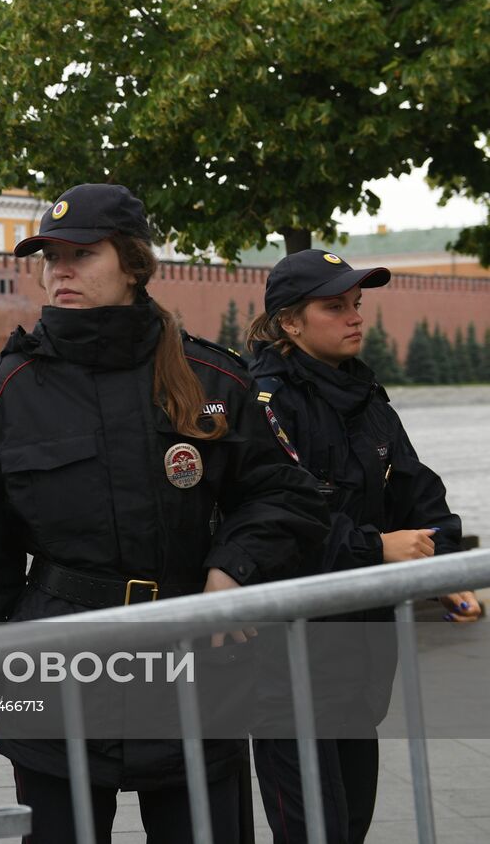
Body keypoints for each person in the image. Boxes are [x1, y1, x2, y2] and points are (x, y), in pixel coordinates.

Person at [0, 183, 329, 843]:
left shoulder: (209, 378)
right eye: (49, 254)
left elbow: (287, 494)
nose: (60, 268)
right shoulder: (7, 386)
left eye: (81, 253)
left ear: (134, 262)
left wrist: (233, 567)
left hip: (194, 669)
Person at [246, 249, 481, 844]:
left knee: (350, 824)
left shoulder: (365, 398)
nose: (354, 318)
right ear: (290, 322)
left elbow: (419, 492)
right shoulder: (265, 404)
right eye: (334, 307)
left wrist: (442, 565)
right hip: (286, 665)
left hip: (359, 660)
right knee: (311, 831)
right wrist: (375, 550)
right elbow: (274, 524)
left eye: (357, 305)